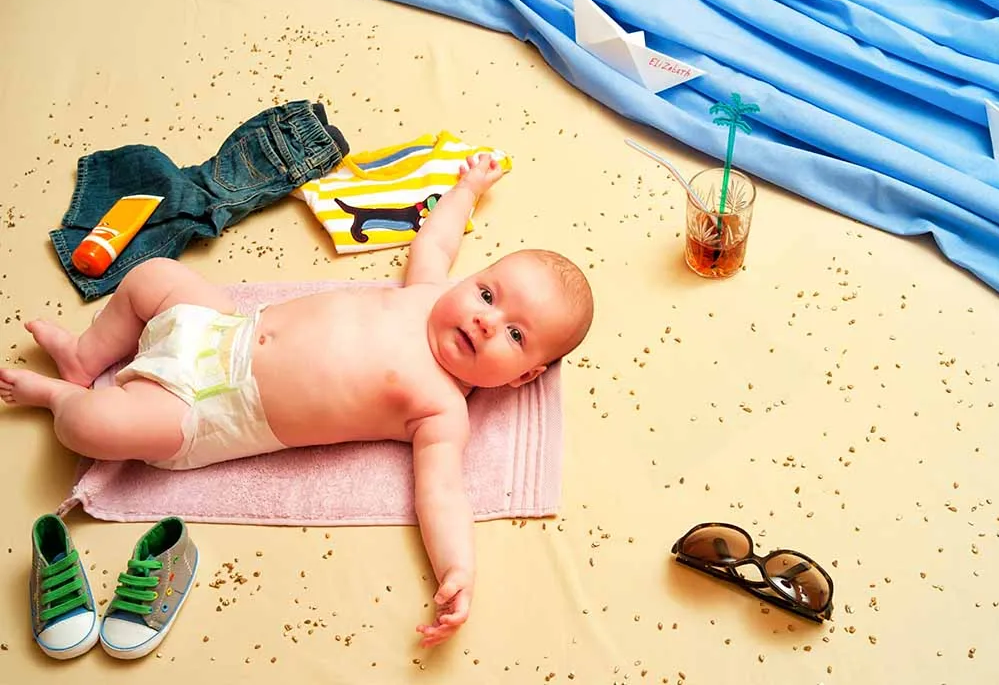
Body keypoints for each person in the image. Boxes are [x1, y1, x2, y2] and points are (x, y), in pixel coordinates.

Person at [0, 153, 595, 647]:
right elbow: (436, 241)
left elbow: (441, 493)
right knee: (152, 275)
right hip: (220, 326)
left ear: (523, 377)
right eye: (487, 293)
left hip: (212, 411)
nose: (487, 322)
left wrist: (457, 569)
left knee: (92, 427)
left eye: (515, 335)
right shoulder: (426, 292)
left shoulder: (441, 408)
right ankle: (85, 356)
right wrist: (468, 188)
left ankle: (58, 397)